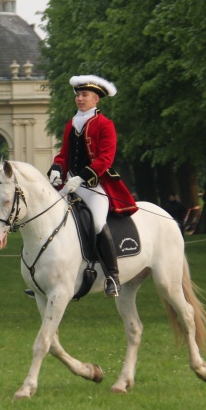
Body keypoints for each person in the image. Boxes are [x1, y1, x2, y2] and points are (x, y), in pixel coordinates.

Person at [47, 74, 138, 297]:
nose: (79, 98)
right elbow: (64, 154)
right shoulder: (71, 123)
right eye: (77, 95)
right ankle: (45, 275)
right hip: (70, 183)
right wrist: (57, 169)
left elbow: (106, 158)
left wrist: (83, 176)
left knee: (97, 223)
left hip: (95, 185)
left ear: (96, 99)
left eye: (84, 95)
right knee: (49, 218)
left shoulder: (105, 124)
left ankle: (113, 277)